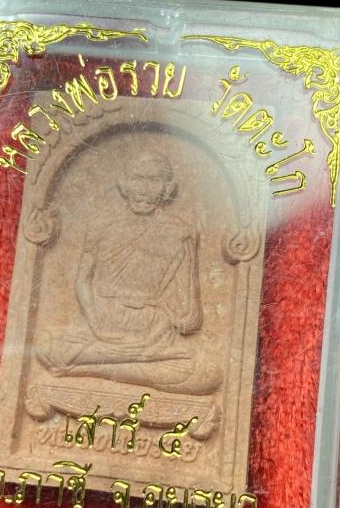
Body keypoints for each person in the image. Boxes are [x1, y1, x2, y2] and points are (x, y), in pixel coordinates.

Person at [37, 150, 222, 395]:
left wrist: (161, 326)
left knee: (206, 375)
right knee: (45, 347)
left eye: (153, 180)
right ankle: (109, 364)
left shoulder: (181, 233)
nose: (144, 189)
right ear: (123, 183)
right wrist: (97, 326)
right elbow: (82, 280)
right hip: (99, 323)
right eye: (137, 178)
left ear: (167, 188)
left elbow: (189, 317)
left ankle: (83, 369)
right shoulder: (101, 225)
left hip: (153, 332)